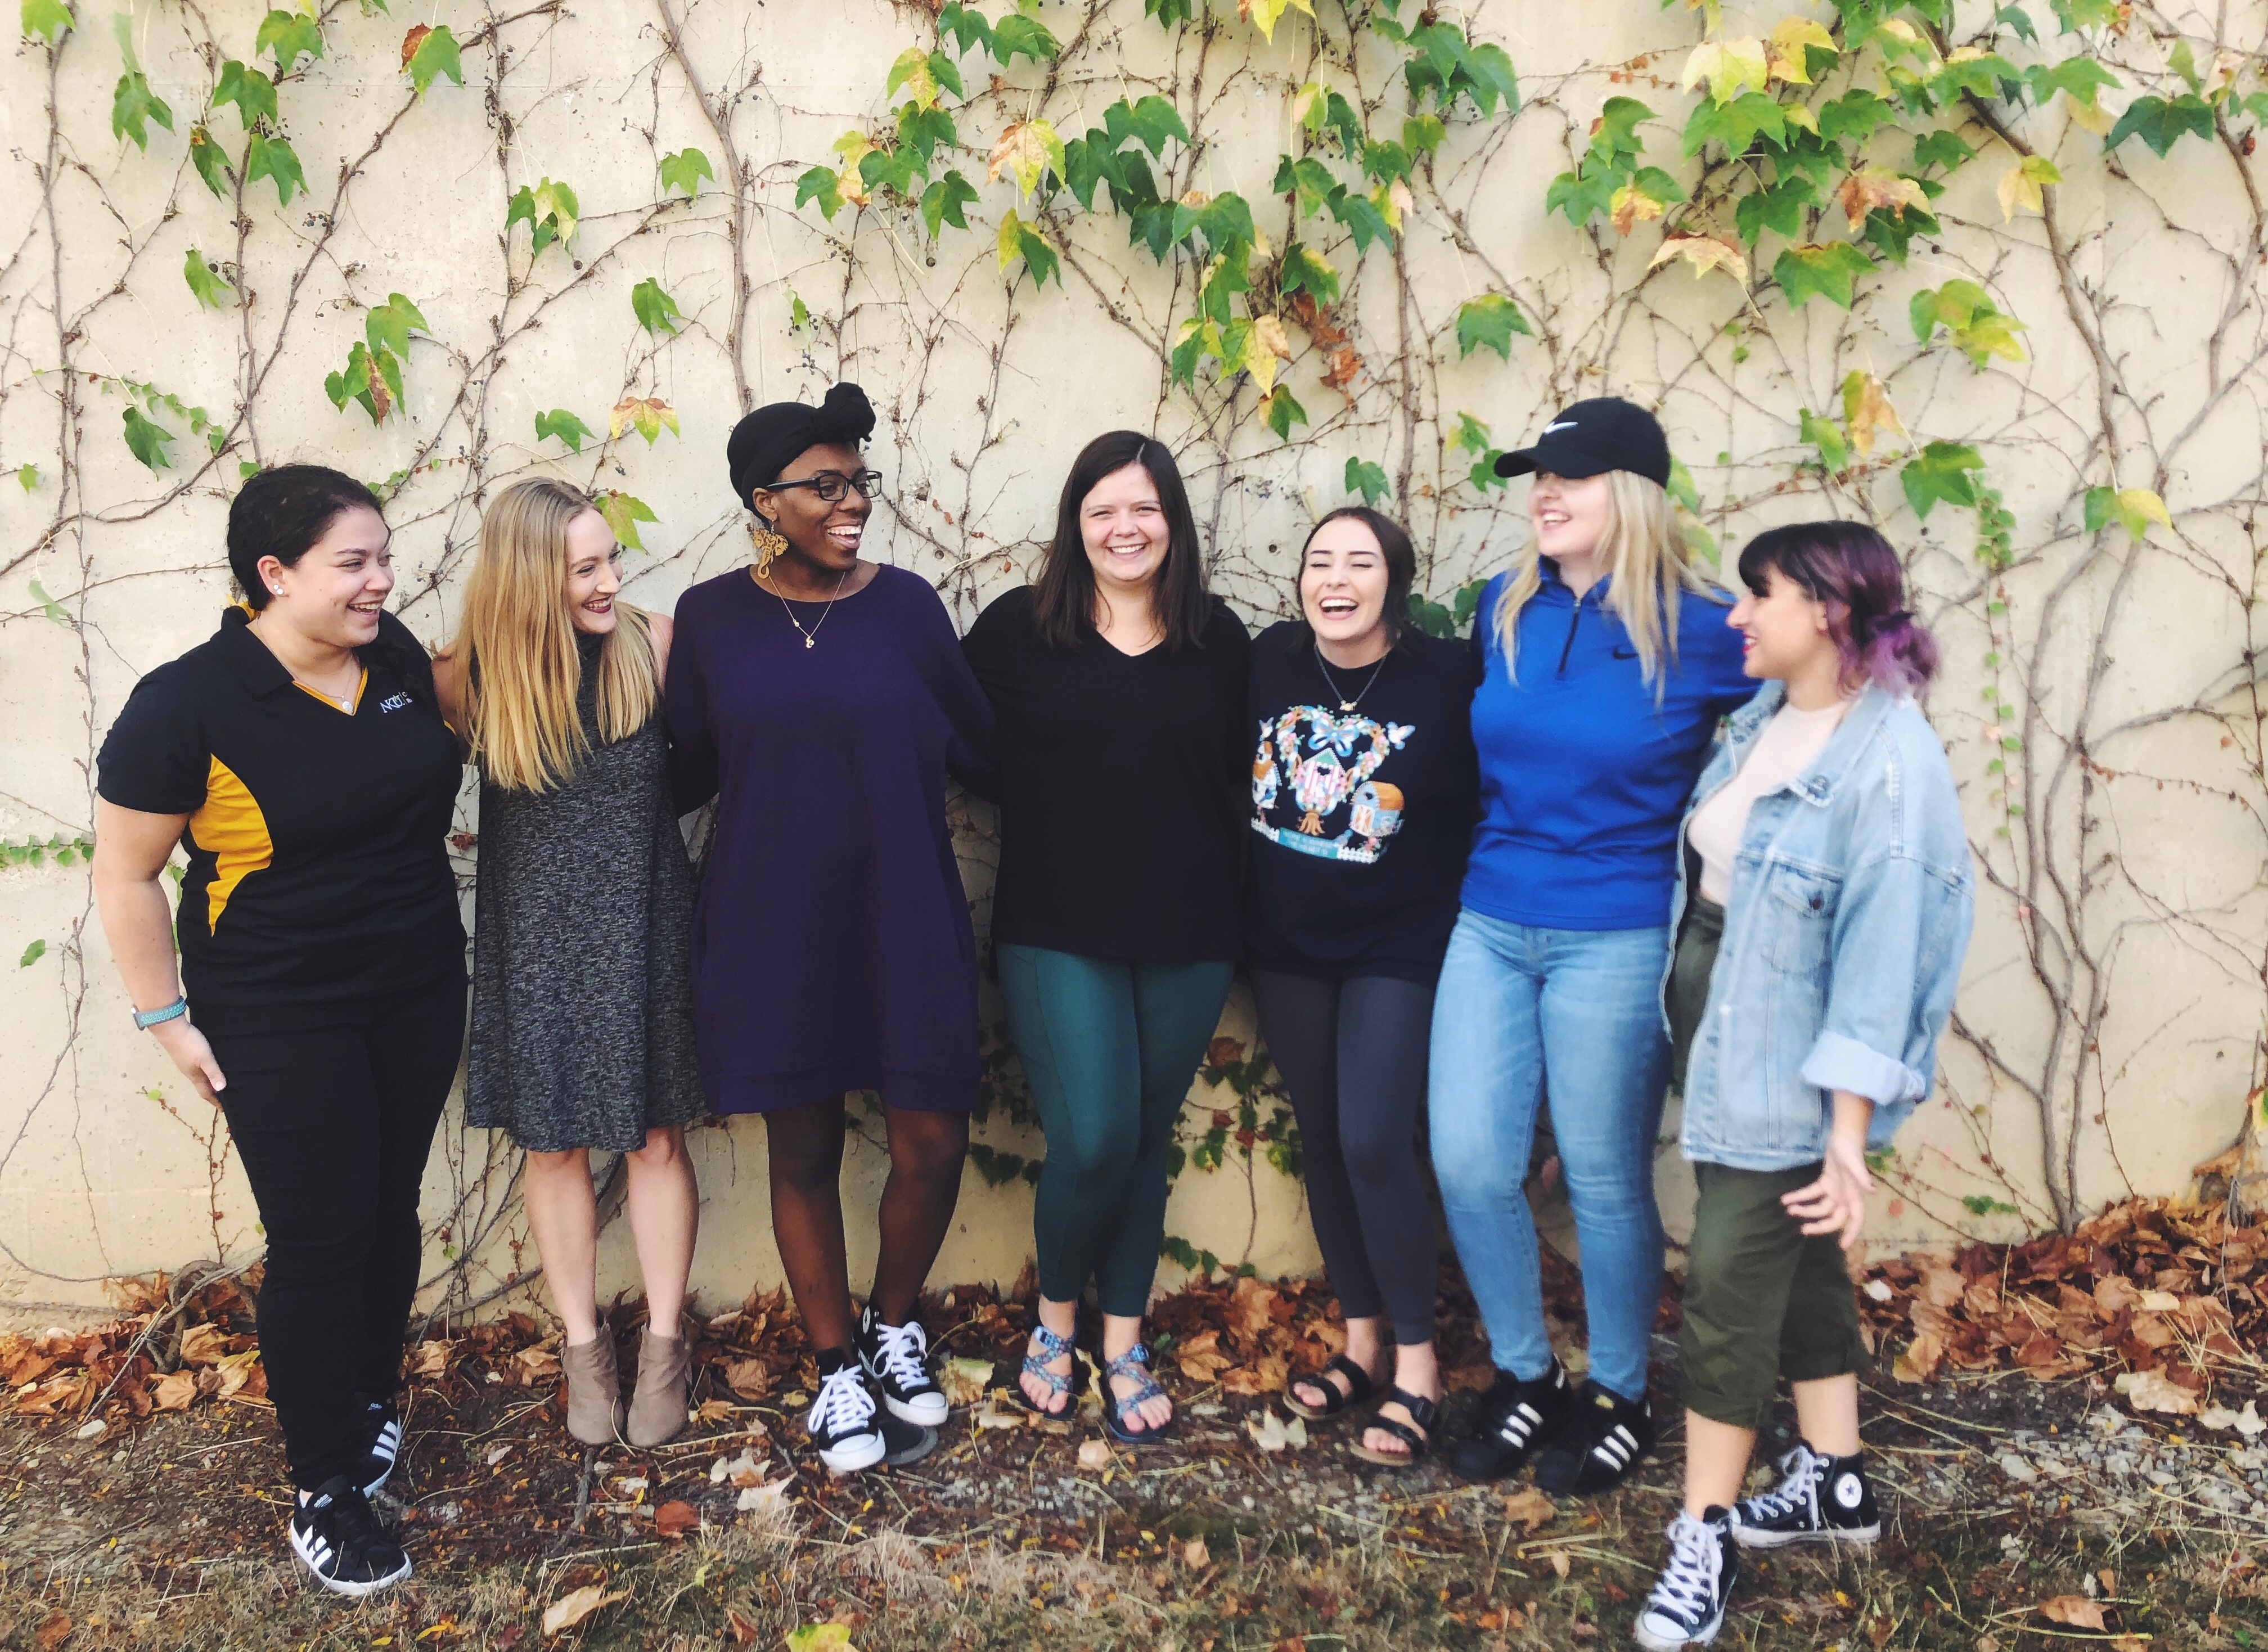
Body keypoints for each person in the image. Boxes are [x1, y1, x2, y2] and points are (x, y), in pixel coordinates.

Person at [89, 465, 465, 1596]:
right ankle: (324, 1483)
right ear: (273, 573)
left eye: (383, 559)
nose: (381, 581)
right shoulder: (186, 704)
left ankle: (365, 1403)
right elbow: (127, 871)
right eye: (354, 562)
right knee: (321, 1233)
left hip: (415, 985)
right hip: (278, 1004)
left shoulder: (392, 658)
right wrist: (166, 1017)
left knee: (389, 1208)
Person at [1634, 521, 1972, 1649]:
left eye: (1758, 596)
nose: (1737, 615)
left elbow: (1883, 962)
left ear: (1827, 611)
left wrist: (1846, 1135)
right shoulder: (1762, 719)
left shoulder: (1885, 760)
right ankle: (1834, 1479)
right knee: (1805, 1253)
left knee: (1729, 1277)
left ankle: (1704, 1533)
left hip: (1790, 1050)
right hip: (1726, 1019)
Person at [667, 382, 996, 1476]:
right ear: (766, 500)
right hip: (772, 923)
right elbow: (680, 770)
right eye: (825, 483)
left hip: (904, 912)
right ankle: (836, 1366)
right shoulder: (712, 618)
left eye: (859, 478)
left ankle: (895, 1324)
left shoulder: (906, 607)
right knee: (802, 1146)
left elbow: (986, 748)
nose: (852, 498)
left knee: (931, 1138)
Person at [1430, 398, 1756, 1492]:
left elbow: (1804, 713)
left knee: (1608, 1175)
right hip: (1491, 914)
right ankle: (1528, 1376)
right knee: (1471, 1159)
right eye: (1536, 478)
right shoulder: (1503, 607)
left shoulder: (1706, 624)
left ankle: (1620, 1389)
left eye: (1569, 476)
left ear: (1635, 493)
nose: (1545, 494)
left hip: (1614, 929)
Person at [963, 430, 1250, 1446]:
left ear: (1172, 522)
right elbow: (952, 742)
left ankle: (1123, 1340)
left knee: (1142, 1140)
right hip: (1056, 926)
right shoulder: (1014, 633)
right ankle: (1053, 1326)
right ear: (1075, 524)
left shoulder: (1221, 642)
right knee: (1093, 1136)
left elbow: (1245, 782)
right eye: (1103, 511)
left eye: (1145, 509)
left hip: (1191, 927)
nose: (1125, 529)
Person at [431, 478, 705, 1450]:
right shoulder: (469, 679)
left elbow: (716, 765)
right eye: (585, 568)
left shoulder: (656, 646)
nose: (610, 582)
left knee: (659, 1139)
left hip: (644, 927)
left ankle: (667, 1347)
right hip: (538, 943)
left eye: (610, 560)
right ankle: (585, 1349)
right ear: (524, 580)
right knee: (551, 1146)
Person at [1246, 508, 1478, 1467]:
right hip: (1286, 945)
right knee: (1326, 1141)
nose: (1335, 579)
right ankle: (1363, 1342)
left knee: (1376, 1137)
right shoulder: (1267, 663)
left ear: (1398, 580)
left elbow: (1482, 801)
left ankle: (1419, 1368)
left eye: (1359, 562)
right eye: (1317, 562)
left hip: (1399, 943)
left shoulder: (1449, 675)